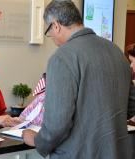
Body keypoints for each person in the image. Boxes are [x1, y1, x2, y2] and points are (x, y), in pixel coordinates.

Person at [22, 1, 135, 159]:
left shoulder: (62, 58)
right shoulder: (116, 52)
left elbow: (57, 123)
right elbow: (130, 107)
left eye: (49, 32)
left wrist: (37, 140)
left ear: (56, 26)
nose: (52, 38)